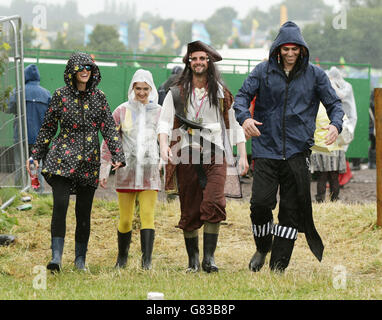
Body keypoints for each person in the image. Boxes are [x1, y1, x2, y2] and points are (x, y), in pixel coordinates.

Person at [233, 21, 344, 273]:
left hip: (297, 152)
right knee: (260, 204)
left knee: (290, 212)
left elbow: (335, 104)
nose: (291, 54)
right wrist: (245, 117)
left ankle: (278, 267)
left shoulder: (315, 75)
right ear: (278, 50)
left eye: (295, 49)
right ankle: (262, 247)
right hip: (265, 149)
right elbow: (241, 97)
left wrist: (336, 124)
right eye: (286, 49)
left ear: (302, 50)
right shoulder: (262, 71)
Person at [27, 52, 125, 272]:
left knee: (83, 211)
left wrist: (118, 155)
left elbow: (109, 127)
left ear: (93, 72)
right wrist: (35, 155)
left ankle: (80, 260)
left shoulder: (99, 97)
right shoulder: (60, 95)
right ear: (71, 70)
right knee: (60, 207)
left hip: (89, 162)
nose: (84, 71)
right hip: (61, 160)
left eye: (88, 68)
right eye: (81, 67)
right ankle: (56, 257)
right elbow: (48, 128)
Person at [158, 40, 249, 273]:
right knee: (189, 209)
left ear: (209, 62)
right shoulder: (176, 92)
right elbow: (164, 122)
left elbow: (236, 125)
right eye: (194, 58)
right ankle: (193, 262)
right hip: (186, 155)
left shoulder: (220, 93)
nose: (198, 62)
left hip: (215, 155)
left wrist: (242, 156)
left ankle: (209, 259)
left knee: (214, 202)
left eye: (202, 58)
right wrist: (163, 146)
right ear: (189, 62)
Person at [100, 69, 161, 270]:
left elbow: (167, 139)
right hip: (126, 172)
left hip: (150, 171)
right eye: (138, 88)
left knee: (147, 216)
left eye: (145, 89)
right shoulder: (121, 111)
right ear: (132, 88)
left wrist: (165, 164)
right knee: (125, 219)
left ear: (151, 89)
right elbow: (109, 139)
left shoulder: (159, 112)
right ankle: (122, 258)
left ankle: (147, 262)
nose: (142, 93)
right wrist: (104, 169)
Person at [311, 66, 357, 201]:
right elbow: (344, 125)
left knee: (322, 176)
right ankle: (334, 199)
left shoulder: (316, 108)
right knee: (334, 176)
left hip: (320, 147)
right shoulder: (336, 110)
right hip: (336, 147)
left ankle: (320, 200)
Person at [7, 64, 51, 191]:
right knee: (36, 165)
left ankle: (19, 192)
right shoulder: (46, 93)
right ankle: (38, 191)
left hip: (21, 136)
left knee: (20, 165)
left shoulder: (18, 91)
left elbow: (7, 107)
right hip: (38, 138)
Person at [368, 90, 376, 169]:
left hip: (374, 125)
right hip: (373, 125)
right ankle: (372, 162)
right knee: (374, 144)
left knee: (374, 144)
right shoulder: (372, 104)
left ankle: (373, 162)